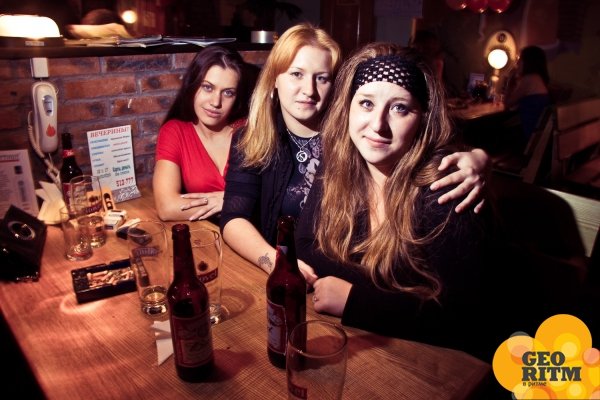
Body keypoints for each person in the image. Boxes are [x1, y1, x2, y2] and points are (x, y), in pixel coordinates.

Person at [221, 23, 490, 276]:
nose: (309, 90)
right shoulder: (252, 138)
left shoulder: (349, 140)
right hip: (289, 275)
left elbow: (426, 148)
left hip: (348, 281)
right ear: (274, 79)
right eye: (296, 74)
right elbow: (235, 217)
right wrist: (278, 263)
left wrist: (479, 158)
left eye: (322, 78)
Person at [295, 42, 493, 359]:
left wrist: (356, 300)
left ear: (423, 118)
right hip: (363, 347)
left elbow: (464, 319)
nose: (378, 125)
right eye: (366, 103)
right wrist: (397, 300)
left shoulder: (446, 187)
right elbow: (305, 244)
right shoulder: (338, 165)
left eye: (399, 108)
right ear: (347, 108)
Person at [153, 46, 257, 221]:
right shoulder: (176, 132)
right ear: (193, 86)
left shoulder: (249, 130)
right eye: (208, 87)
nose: (216, 102)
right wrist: (233, 200)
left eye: (228, 93)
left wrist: (228, 201)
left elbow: (272, 198)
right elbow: (167, 207)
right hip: (207, 233)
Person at [504, 45, 552, 146]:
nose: (517, 63)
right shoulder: (539, 78)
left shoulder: (528, 80)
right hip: (538, 133)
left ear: (528, 62)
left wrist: (509, 80)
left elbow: (507, 103)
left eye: (520, 59)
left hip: (529, 135)